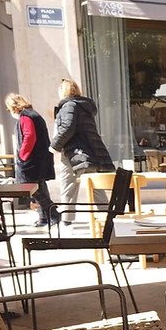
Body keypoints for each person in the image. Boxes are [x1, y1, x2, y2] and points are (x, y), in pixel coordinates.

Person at [49, 79, 113, 225]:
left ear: (63, 91)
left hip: (74, 153)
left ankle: (67, 222)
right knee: (96, 186)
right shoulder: (84, 107)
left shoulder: (68, 105)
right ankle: (109, 220)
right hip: (89, 152)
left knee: (68, 188)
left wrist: (54, 146)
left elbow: (67, 127)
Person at [5, 93, 56, 227]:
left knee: (34, 189)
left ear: (14, 107)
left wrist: (22, 155)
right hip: (39, 159)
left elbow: (29, 136)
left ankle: (54, 214)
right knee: (40, 188)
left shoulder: (26, 116)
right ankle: (44, 217)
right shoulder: (33, 114)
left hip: (31, 161)